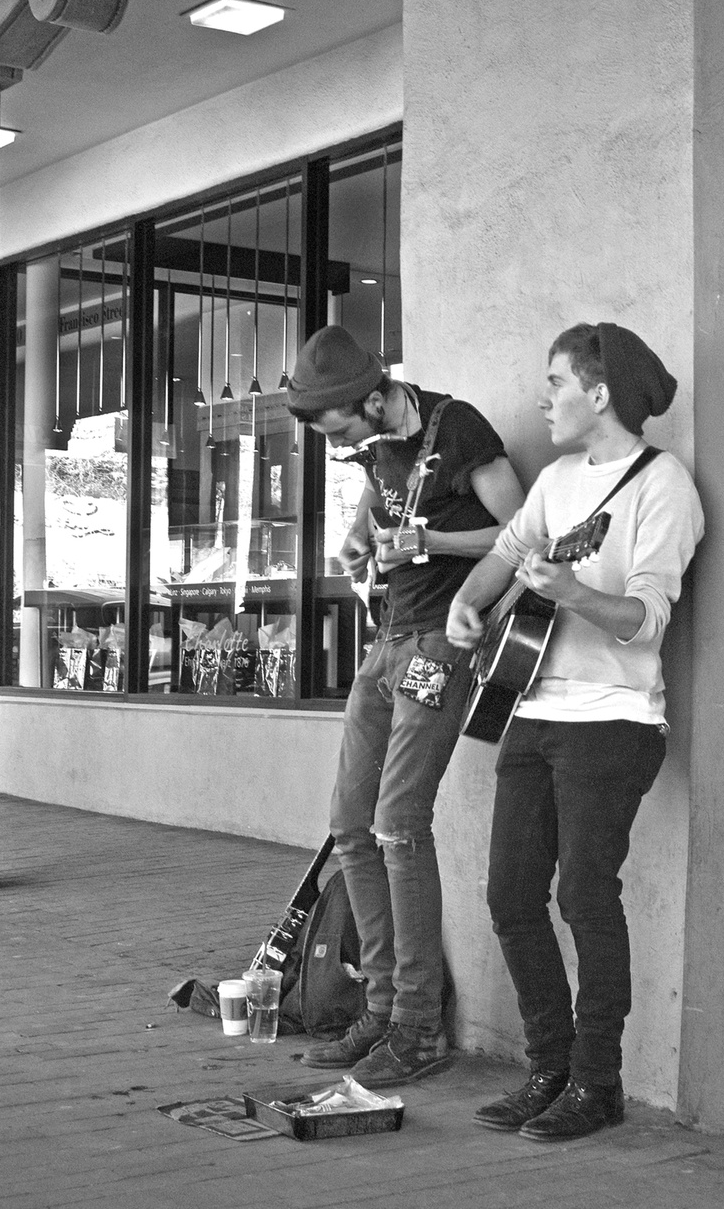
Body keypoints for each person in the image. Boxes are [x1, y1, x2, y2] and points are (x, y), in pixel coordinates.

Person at [446, 322, 704, 1141]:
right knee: (511, 896)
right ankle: (549, 1068)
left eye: (554, 382)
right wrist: (471, 601)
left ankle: (598, 1084)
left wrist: (572, 592)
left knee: (585, 896)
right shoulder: (557, 481)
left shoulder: (664, 488)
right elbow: (511, 550)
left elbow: (646, 621)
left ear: (598, 395)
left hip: (613, 722)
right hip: (531, 708)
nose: (541, 397)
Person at [286, 325, 524, 1086]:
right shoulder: (380, 446)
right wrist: (358, 542)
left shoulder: (460, 428)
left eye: (344, 428)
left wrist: (434, 542)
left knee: (397, 825)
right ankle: (381, 1010)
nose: (342, 443)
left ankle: (419, 1028)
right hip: (387, 639)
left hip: (441, 647)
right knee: (350, 827)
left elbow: (522, 532)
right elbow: (377, 502)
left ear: (379, 397)